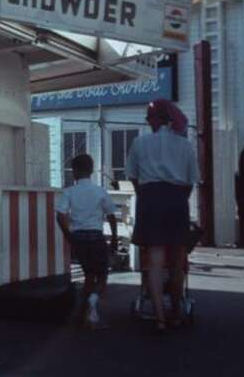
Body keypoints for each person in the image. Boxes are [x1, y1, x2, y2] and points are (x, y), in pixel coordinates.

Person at [125, 99, 199, 332]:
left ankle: (159, 317)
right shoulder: (185, 146)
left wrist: (146, 196)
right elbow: (190, 181)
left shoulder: (139, 143)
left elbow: (133, 176)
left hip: (150, 198)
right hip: (177, 199)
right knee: (177, 261)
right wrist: (177, 199)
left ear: (154, 120)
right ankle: (176, 311)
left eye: (149, 119)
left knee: (154, 261)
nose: (149, 123)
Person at [55, 153, 118, 330]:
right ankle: (91, 303)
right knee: (103, 276)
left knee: (89, 275)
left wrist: (68, 235)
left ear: (74, 172)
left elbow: (60, 215)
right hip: (96, 236)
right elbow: (111, 215)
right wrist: (113, 238)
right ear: (91, 170)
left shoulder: (69, 192)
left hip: (78, 237)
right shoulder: (100, 191)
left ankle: (86, 315)